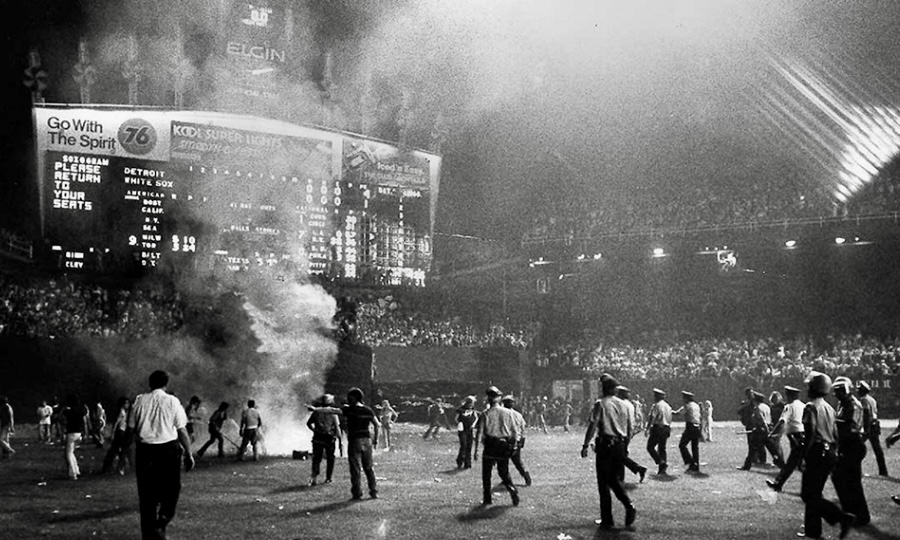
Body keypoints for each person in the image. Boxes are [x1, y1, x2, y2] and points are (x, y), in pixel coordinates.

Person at [128, 370, 194, 540]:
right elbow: (182, 430)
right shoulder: (172, 401)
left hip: (145, 450)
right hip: (168, 450)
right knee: (172, 487)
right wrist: (189, 453)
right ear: (166, 384)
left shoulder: (139, 400)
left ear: (150, 383)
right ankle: (163, 520)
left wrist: (128, 451)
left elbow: (130, 428)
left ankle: (150, 533)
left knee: (146, 493)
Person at [797, 372, 854, 540]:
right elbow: (835, 434)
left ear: (814, 388)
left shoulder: (810, 407)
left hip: (817, 451)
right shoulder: (829, 407)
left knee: (808, 495)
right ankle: (813, 531)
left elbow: (811, 433)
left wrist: (803, 456)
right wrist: (835, 453)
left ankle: (841, 517)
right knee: (815, 492)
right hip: (829, 452)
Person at [581, 376, 635, 529]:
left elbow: (593, 425)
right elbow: (629, 427)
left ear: (604, 388)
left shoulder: (601, 404)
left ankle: (607, 518)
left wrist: (585, 444)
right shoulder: (624, 405)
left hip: (606, 445)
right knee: (614, 479)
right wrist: (625, 445)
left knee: (603, 483)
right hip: (620, 444)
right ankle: (629, 505)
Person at [310, 387, 381, 500]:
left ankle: (357, 493)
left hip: (354, 441)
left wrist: (316, 409)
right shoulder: (368, 410)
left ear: (355, 397)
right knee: (369, 467)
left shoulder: (350, 410)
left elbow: (332, 410)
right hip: (367, 440)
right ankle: (373, 492)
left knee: (355, 468)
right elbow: (377, 425)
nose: (348, 399)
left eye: (350, 397)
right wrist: (375, 440)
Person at [832, 377, 869, 527]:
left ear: (844, 391)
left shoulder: (853, 405)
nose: (836, 396)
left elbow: (849, 425)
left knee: (851, 482)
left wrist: (833, 422)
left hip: (853, 444)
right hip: (846, 444)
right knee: (841, 478)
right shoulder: (843, 403)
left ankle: (861, 515)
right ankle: (850, 511)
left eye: (838, 392)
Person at [480, 386, 519, 506]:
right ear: (499, 398)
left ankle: (487, 498)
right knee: (503, 472)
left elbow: (482, 433)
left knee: (486, 474)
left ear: (488, 399)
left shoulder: (485, 413)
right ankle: (511, 489)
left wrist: (477, 448)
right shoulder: (508, 413)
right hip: (504, 444)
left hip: (490, 444)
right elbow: (514, 430)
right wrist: (514, 444)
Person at [766, 385, 806, 492]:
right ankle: (778, 484)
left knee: (792, 463)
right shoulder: (803, 405)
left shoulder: (789, 406)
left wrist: (772, 433)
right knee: (797, 463)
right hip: (804, 434)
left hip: (794, 436)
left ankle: (778, 484)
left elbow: (782, 421)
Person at [307, 394, 341, 486]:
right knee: (330, 458)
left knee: (316, 458)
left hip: (318, 436)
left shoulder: (316, 412)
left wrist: (314, 430)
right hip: (329, 437)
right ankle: (328, 478)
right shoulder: (333, 413)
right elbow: (337, 427)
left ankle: (314, 477)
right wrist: (340, 438)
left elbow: (309, 423)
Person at [856, 381, 888, 476]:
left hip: (869, 425)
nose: (857, 391)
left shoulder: (863, 400)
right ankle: (883, 470)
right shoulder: (872, 399)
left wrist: (865, 429)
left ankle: (857, 470)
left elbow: (866, 414)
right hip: (875, 424)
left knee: (857, 448)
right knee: (877, 449)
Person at [617, 386, 647, 482]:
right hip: (627, 433)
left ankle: (639, 469)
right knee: (621, 457)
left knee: (619, 457)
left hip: (620, 433)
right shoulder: (629, 404)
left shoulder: (620, 404)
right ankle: (620, 478)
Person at [501, 395, 531, 486]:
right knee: (517, 461)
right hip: (516, 441)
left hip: (506, 440)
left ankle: (506, 479)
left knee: (503, 462)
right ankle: (527, 477)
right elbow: (523, 428)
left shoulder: (502, 414)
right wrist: (522, 440)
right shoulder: (518, 415)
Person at [673, 390, 701, 472]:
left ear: (686, 399)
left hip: (690, 426)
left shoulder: (687, 405)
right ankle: (696, 465)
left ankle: (691, 463)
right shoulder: (696, 405)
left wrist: (670, 412)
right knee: (695, 447)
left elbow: (678, 413)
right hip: (697, 426)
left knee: (682, 445)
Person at [103, 397, 132, 475]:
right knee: (119, 449)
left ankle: (118, 466)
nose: (128, 405)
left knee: (119, 450)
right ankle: (119, 467)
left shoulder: (126, 412)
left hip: (123, 432)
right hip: (120, 432)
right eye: (126, 403)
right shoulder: (121, 412)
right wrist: (112, 433)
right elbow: (116, 423)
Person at [646, 388, 672, 475]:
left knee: (650, 447)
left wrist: (648, 428)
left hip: (658, 428)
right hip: (666, 428)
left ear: (657, 397)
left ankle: (661, 462)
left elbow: (652, 417)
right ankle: (662, 469)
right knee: (662, 448)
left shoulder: (656, 405)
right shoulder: (668, 406)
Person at [60, 395, 85, 479]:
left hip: (71, 433)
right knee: (72, 452)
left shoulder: (68, 411)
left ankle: (72, 473)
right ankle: (76, 470)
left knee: (68, 453)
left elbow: (60, 416)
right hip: (79, 433)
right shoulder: (81, 411)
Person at [455, 395, 479, 470]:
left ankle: (467, 463)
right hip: (462, 429)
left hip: (470, 429)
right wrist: (459, 423)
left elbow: (476, 417)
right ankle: (460, 461)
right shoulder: (461, 409)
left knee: (469, 446)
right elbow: (456, 418)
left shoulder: (472, 409)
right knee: (464, 445)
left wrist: (473, 425)